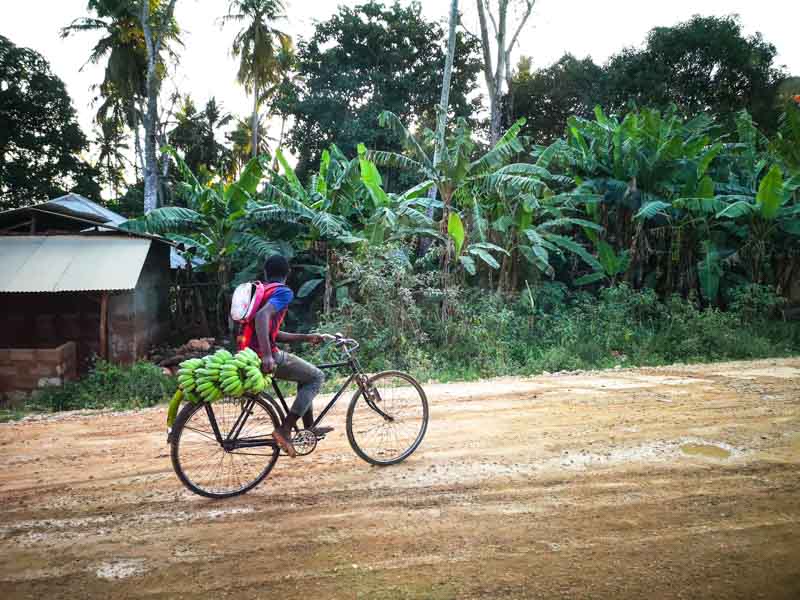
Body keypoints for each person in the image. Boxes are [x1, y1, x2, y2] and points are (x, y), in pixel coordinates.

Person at [250, 255, 332, 457]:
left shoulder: (261, 292)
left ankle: (309, 429)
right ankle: (284, 429)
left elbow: (272, 333)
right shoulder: (282, 291)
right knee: (316, 377)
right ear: (287, 274)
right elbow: (262, 317)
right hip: (264, 354)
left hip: (248, 352)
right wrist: (268, 355)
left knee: (306, 375)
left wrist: (306, 337)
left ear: (266, 273)